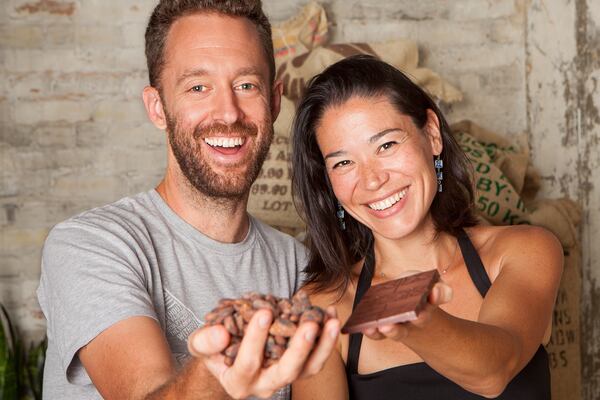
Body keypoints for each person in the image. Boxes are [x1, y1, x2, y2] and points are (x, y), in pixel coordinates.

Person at [36, 1, 339, 399]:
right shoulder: (89, 245)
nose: (228, 113)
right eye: (198, 87)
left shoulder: (298, 268)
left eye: (246, 85)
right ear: (157, 107)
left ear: (275, 100)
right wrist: (222, 371)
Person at [289, 55, 562, 399]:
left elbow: (494, 371)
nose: (373, 180)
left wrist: (413, 321)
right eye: (344, 162)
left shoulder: (523, 251)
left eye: (386, 145)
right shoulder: (323, 306)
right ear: (328, 183)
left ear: (431, 134)